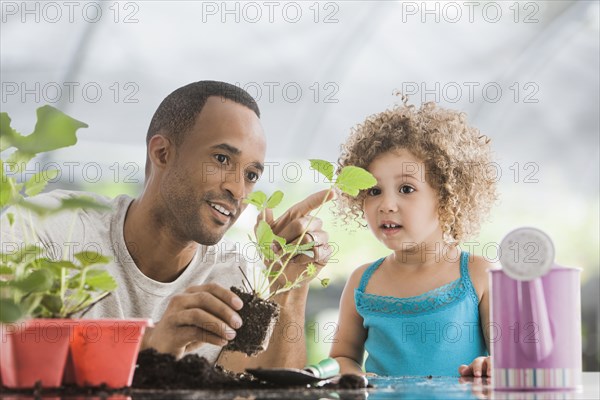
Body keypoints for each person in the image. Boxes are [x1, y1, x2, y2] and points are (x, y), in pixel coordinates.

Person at [0, 80, 333, 371]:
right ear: (161, 153)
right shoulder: (47, 227)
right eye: (221, 159)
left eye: (251, 175)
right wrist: (148, 343)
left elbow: (252, 392)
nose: (238, 189)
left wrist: (290, 286)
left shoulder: (234, 276)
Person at [329, 99, 498, 377]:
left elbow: (510, 359)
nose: (387, 204)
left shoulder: (480, 275)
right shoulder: (362, 282)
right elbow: (342, 356)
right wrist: (351, 375)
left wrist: (492, 365)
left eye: (406, 189)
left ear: (445, 197)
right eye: (373, 191)